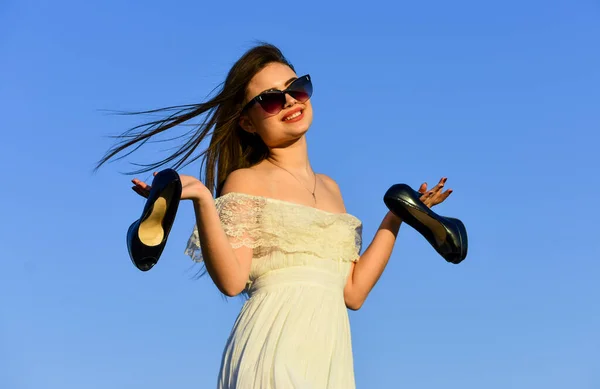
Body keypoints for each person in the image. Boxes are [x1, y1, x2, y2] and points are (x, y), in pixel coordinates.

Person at [97, 43, 452, 388]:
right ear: (248, 123)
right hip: (273, 346)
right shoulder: (246, 180)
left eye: (297, 88)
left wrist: (398, 216)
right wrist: (205, 200)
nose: (289, 102)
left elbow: (353, 292)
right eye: (269, 99)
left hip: (330, 356)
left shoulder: (332, 188)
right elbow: (233, 281)